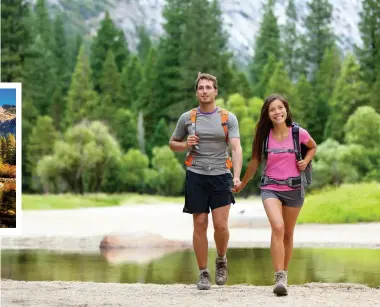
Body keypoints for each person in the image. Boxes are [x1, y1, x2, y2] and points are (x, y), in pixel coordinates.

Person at [233, 94, 317, 296]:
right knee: (277, 227)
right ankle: (279, 275)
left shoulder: (298, 133)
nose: (277, 112)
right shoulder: (264, 136)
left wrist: (305, 161)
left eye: (280, 108)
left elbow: (313, 147)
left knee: (287, 233)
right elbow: (254, 162)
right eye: (272, 109)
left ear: (286, 110)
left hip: (295, 189)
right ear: (267, 114)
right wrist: (242, 184)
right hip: (270, 188)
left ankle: (284, 275)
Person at [169, 72, 243, 290]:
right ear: (196, 92)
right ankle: (203, 273)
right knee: (199, 223)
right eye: (201, 88)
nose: (204, 91)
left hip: (221, 175)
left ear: (216, 91)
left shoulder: (228, 118)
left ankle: (221, 259)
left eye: (208, 87)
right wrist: (185, 145)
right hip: (196, 175)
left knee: (220, 225)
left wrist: (237, 175)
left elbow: (236, 148)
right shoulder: (187, 118)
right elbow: (173, 143)